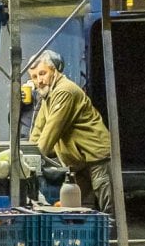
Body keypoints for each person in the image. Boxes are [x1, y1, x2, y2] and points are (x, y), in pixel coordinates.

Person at [28, 50, 115, 218]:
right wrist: (26, 154)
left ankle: (112, 234)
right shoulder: (48, 97)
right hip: (78, 162)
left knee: (108, 208)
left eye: (42, 73)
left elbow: (51, 131)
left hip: (96, 156)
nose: (39, 80)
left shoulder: (64, 91)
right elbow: (37, 132)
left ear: (54, 71)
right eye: (34, 77)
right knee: (74, 207)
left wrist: (31, 161)